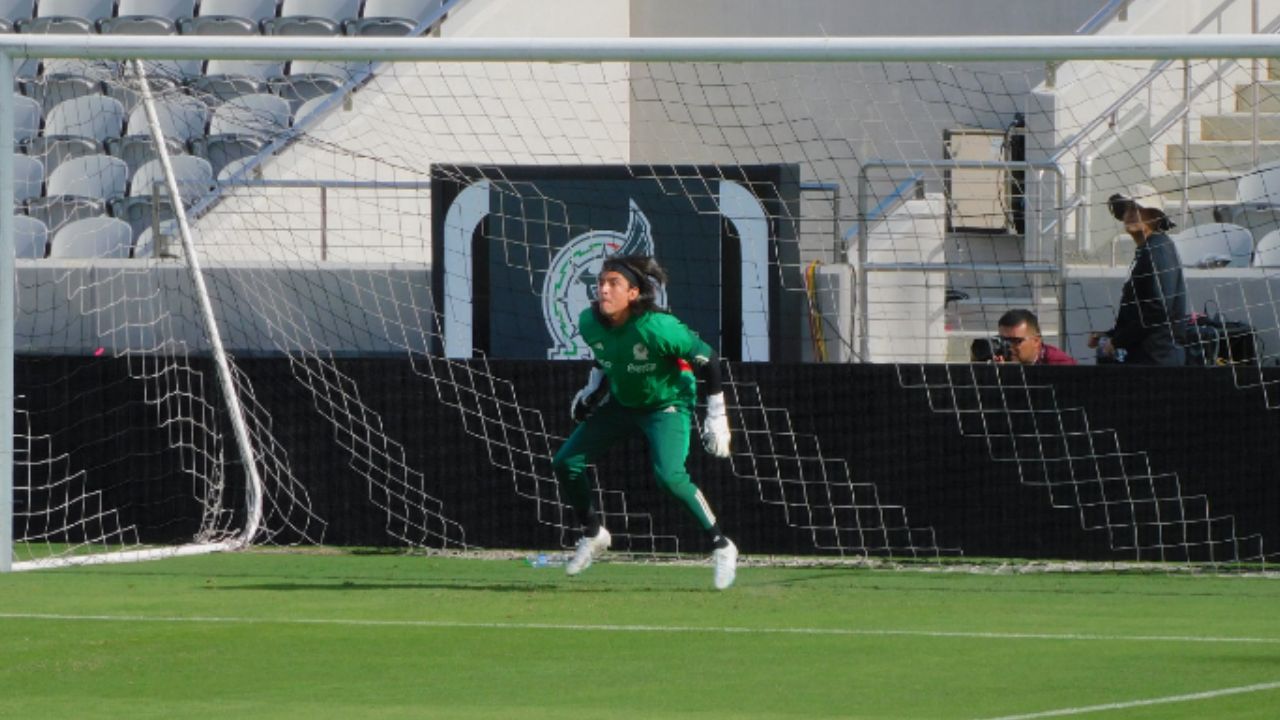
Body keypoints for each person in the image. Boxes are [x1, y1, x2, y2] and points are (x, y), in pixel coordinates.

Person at [551, 254, 738, 590]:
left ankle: (722, 545)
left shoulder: (657, 327)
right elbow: (604, 354)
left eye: (613, 284)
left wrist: (717, 417)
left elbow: (709, 359)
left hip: (667, 404)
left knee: (670, 477)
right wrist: (592, 389)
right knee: (565, 462)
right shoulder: (589, 321)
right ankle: (594, 534)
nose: (603, 290)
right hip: (623, 403)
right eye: (601, 283)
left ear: (633, 293)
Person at [1088, 194, 1188, 366]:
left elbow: (1157, 310)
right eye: (1128, 208)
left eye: (1139, 208)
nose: (1131, 213)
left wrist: (1118, 341)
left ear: (1156, 218)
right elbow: (1140, 313)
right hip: (1148, 358)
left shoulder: (1157, 248)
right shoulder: (1150, 248)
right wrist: (1110, 335)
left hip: (1157, 362)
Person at [994, 309, 1077, 365]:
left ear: (1036, 341)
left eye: (1016, 341)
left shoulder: (1059, 363)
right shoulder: (997, 360)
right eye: (1003, 340)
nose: (1009, 347)